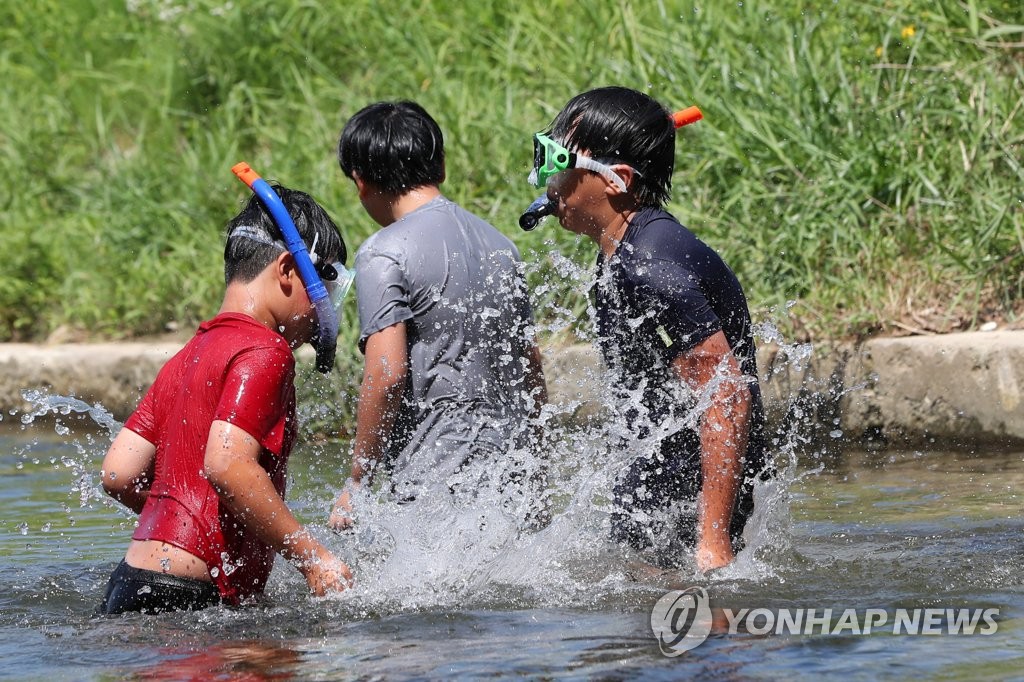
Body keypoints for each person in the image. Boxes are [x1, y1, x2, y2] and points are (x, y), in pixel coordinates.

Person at [527, 86, 771, 572]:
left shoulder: (649, 263)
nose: (545, 177)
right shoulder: (621, 251)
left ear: (615, 180)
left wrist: (713, 540)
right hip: (659, 492)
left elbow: (725, 395)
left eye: (556, 159)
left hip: (692, 508)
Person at [98, 182, 353, 614]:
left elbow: (118, 474)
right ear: (289, 270)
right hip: (191, 599)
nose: (324, 309)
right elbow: (228, 464)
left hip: (130, 584)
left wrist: (180, 527)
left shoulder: (187, 355)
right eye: (327, 284)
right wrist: (314, 559)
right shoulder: (265, 351)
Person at [329, 101, 547, 528]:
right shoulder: (503, 245)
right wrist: (537, 472)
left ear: (360, 182)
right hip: (509, 480)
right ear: (441, 167)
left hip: (433, 486)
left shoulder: (382, 252)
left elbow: (387, 373)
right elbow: (530, 366)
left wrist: (358, 480)